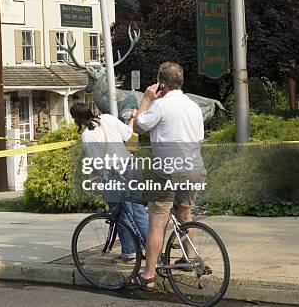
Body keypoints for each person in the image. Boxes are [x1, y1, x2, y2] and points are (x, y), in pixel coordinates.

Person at [131, 62, 206, 291]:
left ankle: (148, 275)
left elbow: (137, 126)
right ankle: (188, 258)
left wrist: (146, 99)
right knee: (185, 213)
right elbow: (200, 139)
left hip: (168, 171)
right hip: (194, 168)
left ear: (161, 84)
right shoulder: (194, 106)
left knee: (157, 222)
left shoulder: (160, 105)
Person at [70, 103, 148, 261]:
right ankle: (152, 249)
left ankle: (130, 251)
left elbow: (95, 164)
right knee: (139, 212)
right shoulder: (107, 118)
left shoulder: (88, 135)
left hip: (115, 175)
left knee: (120, 215)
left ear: (77, 119)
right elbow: (127, 134)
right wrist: (133, 117)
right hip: (131, 167)